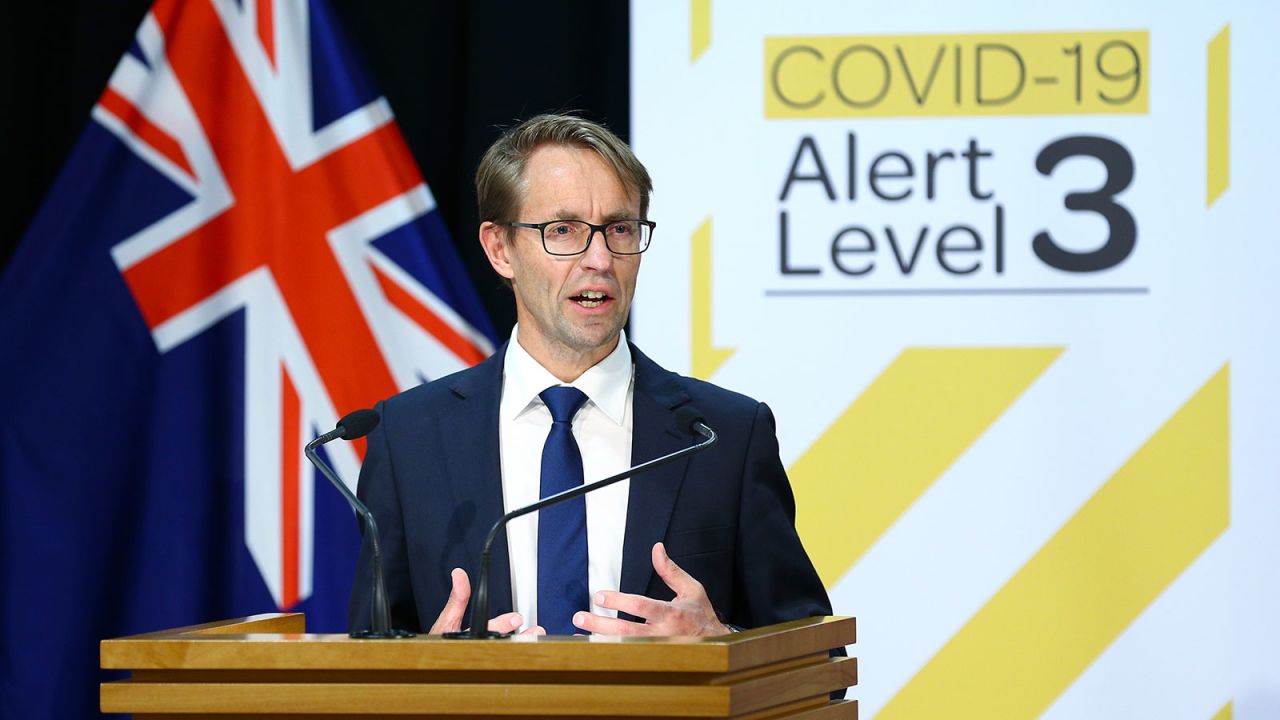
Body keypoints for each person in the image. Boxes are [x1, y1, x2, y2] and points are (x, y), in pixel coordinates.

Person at [349, 113, 832, 637]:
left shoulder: (725, 436)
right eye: (564, 231)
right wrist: (423, 671)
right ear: (499, 248)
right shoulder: (409, 437)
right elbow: (364, 660)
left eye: (620, 229)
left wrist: (722, 646)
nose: (600, 258)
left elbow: (816, 661)